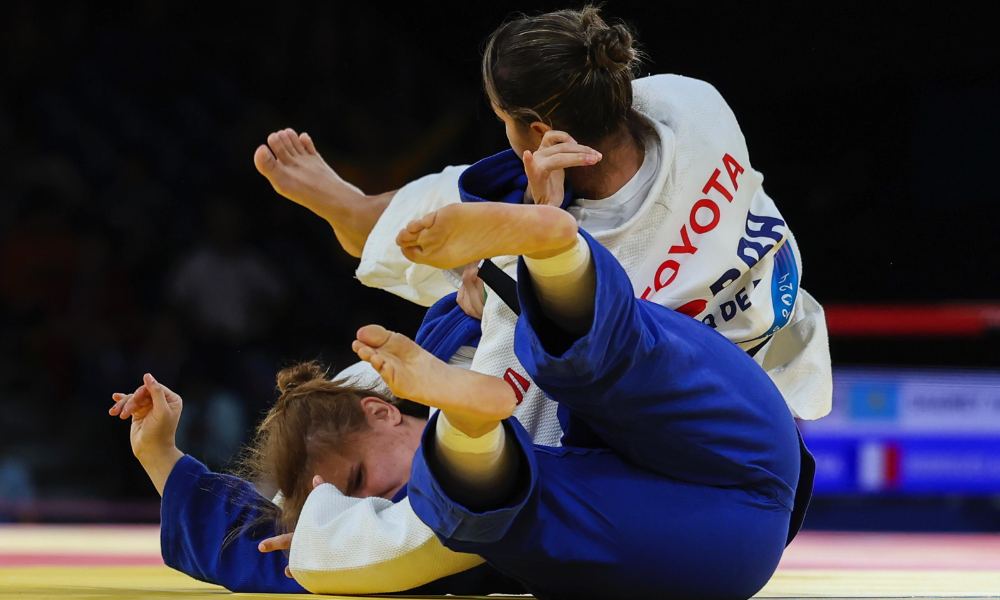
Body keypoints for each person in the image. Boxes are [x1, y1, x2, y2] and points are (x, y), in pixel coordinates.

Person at [352, 200, 806, 600]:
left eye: (358, 480)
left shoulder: (445, 335)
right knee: (506, 509)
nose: (375, 501)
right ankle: (470, 419)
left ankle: (552, 256)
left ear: (380, 412)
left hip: (733, 441)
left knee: (615, 361)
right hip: (724, 518)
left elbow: (345, 554)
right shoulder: (433, 359)